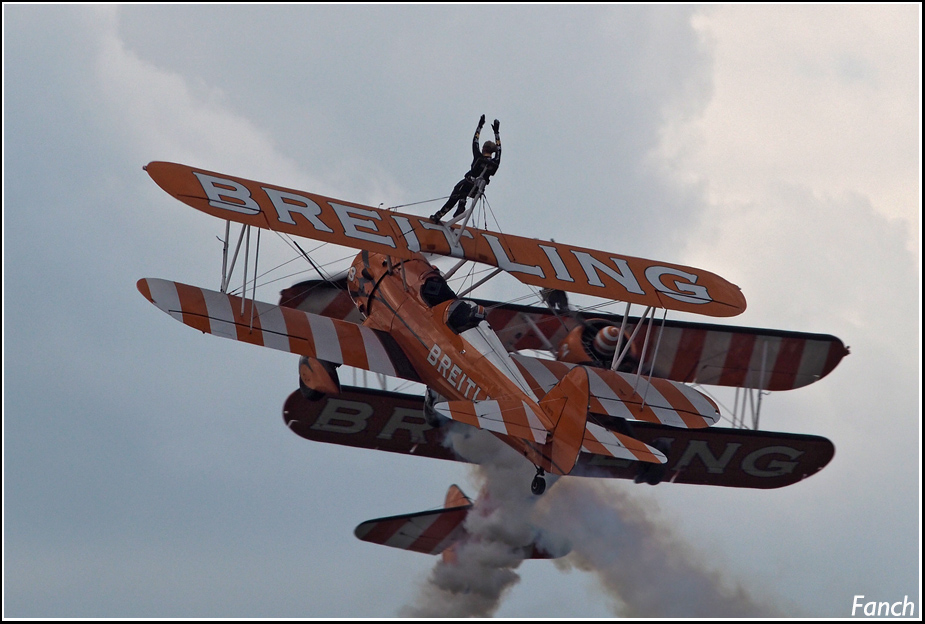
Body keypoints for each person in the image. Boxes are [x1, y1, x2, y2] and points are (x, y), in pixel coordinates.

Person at [430, 115, 501, 223]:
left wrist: (479, 126)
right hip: (478, 189)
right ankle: (461, 203)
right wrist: (497, 133)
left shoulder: (479, 156)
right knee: (463, 190)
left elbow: (475, 140)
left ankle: (440, 214)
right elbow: (500, 150)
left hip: (468, 184)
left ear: (484, 148)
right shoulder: (495, 161)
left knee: (456, 192)